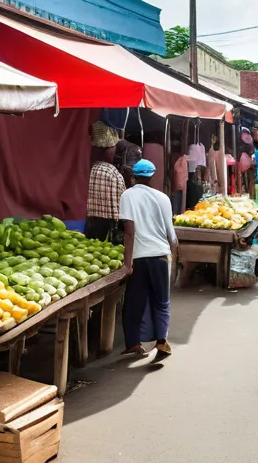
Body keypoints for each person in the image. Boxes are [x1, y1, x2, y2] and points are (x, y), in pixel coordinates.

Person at [120, 159, 177, 363]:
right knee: (161, 302)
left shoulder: (127, 195)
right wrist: (173, 257)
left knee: (134, 301)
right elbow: (171, 235)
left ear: (133, 176)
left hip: (139, 257)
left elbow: (129, 229)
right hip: (161, 256)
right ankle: (161, 341)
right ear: (152, 176)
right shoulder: (163, 198)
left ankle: (134, 343)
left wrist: (127, 263)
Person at [86, 121, 127, 244]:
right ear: (107, 149)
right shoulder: (113, 174)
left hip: (88, 225)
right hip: (110, 230)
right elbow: (123, 208)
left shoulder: (86, 170)